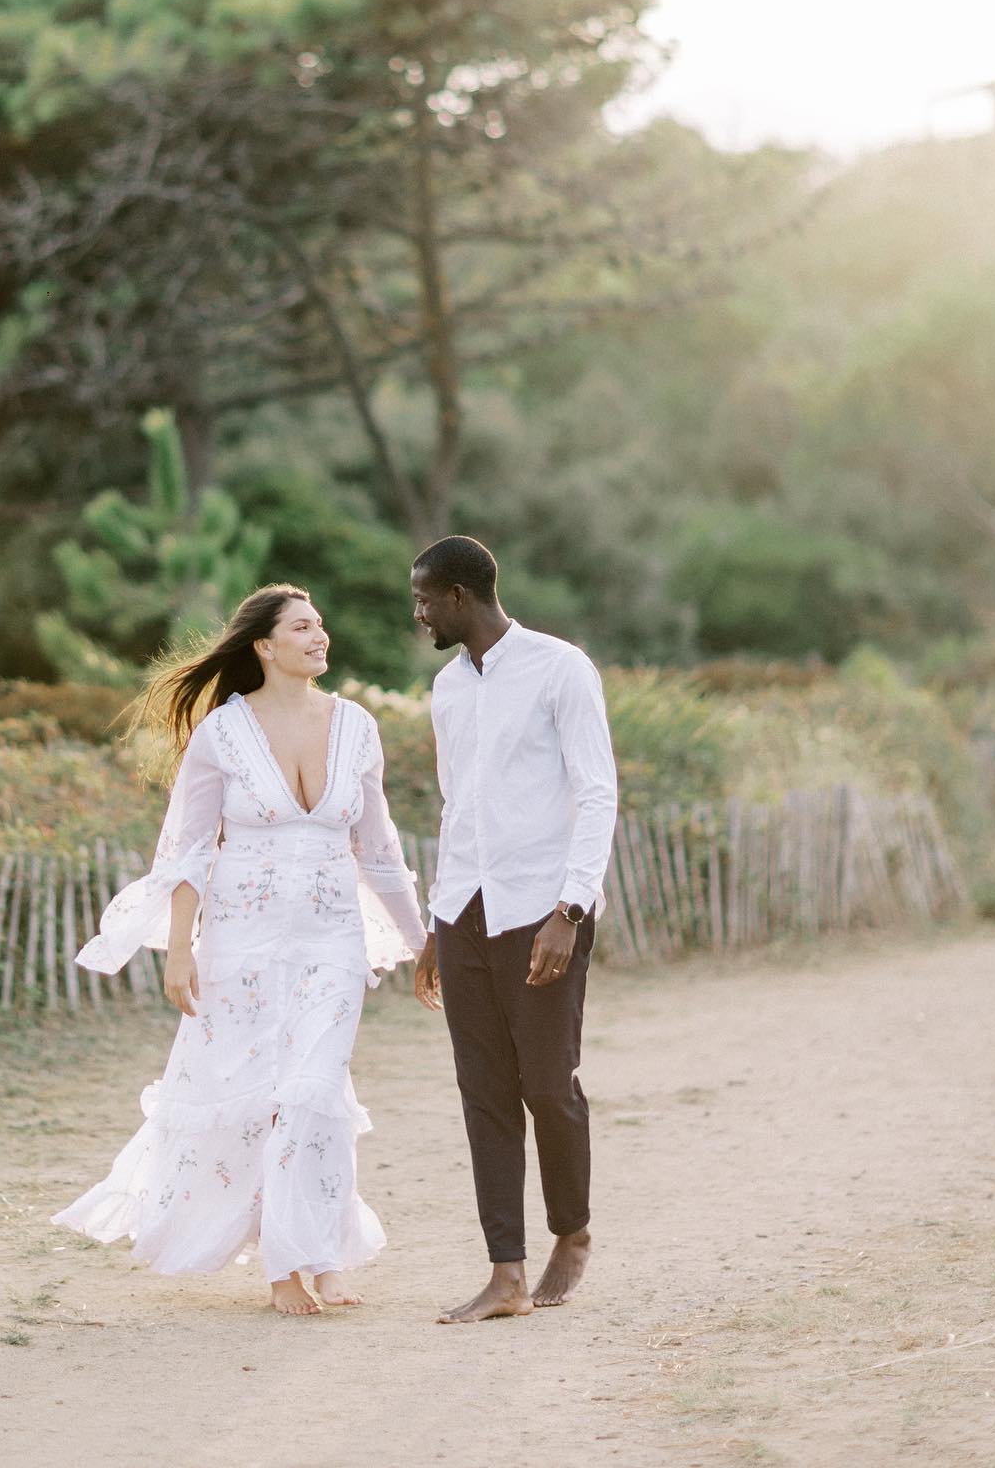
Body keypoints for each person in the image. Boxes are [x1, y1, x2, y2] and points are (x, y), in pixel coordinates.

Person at [52, 584, 428, 1316]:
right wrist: (179, 951)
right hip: (242, 948)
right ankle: (287, 1269)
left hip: (332, 942)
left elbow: (378, 847)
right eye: (302, 626)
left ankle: (318, 1257)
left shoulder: (357, 727)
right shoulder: (221, 735)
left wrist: (423, 942)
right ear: (264, 645)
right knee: (263, 1103)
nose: (321, 635)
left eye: (321, 623)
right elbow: (189, 850)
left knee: (315, 1093)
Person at [410, 536, 617, 1323]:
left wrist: (570, 911)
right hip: (466, 911)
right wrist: (438, 918)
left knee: (547, 1086)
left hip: (543, 910)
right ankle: (505, 1275)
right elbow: (453, 806)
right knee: (483, 1094)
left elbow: (596, 794)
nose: (419, 613)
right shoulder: (447, 688)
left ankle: (573, 1232)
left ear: (460, 596)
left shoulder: (562, 668)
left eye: (425, 599)